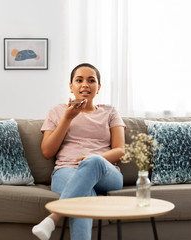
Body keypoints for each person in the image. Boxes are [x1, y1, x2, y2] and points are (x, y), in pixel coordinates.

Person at [32, 63, 126, 240]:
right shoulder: (58, 111)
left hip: (106, 172)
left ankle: (53, 218)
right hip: (66, 171)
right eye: (79, 80)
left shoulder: (110, 112)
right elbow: (47, 151)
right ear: (71, 86)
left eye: (91, 80)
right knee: (85, 196)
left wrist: (95, 158)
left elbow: (120, 150)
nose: (85, 84)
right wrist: (68, 117)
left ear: (98, 88)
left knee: (94, 162)